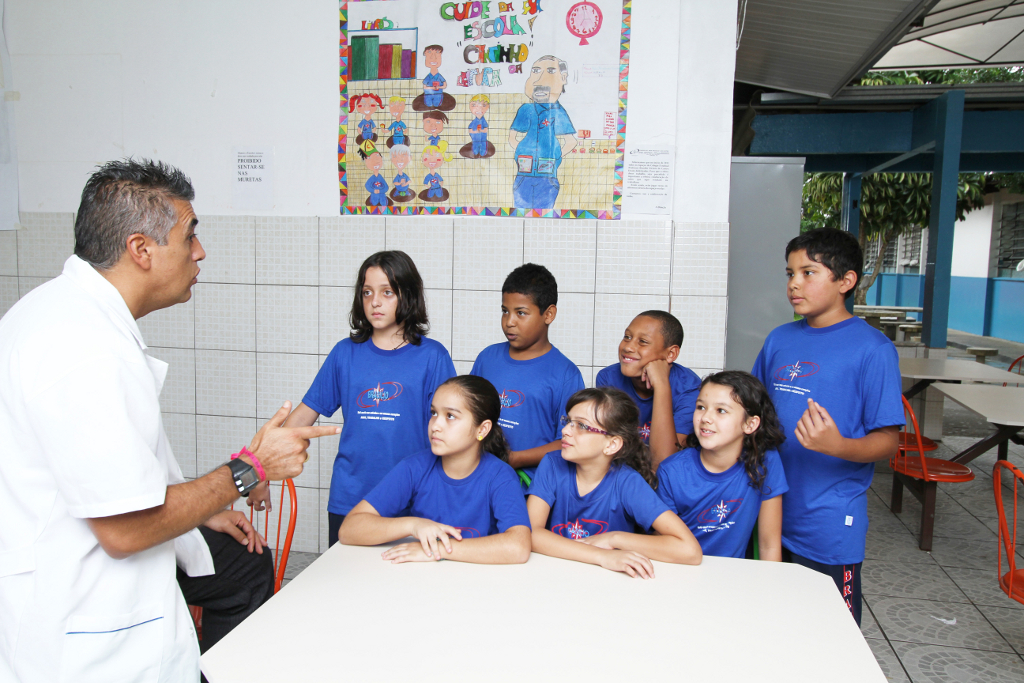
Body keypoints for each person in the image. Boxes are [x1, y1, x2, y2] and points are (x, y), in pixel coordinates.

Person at [0, 159, 338, 681]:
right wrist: (251, 468)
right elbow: (127, 529)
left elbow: (100, 465)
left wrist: (200, 509)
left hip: (74, 577)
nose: (199, 251)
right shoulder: (85, 349)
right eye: (190, 235)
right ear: (141, 250)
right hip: (84, 633)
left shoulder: (55, 311)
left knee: (243, 563)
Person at [248, 251, 456, 547]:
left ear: (407, 295)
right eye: (367, 292)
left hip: (416, 499)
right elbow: (298, 424)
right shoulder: (344, 354)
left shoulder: (433, 357)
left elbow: (453, 433)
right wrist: (260, 473)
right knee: (345, 587)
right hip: (350, 499)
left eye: (387, 292)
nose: (375, 302)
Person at [752, 227, 903, 626]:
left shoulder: (873, 349)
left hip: (829, 522)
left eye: (808, 272)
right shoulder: (779, 338)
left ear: (846, 281)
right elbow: (755, 410)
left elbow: (889, 441)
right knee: (773, 621)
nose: (794, 284)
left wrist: (837, 445)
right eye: (790, 273)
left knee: (831, 632)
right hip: (770, 511)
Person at [338, 376, 531, 564]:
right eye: (434, 413)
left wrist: (436, 550)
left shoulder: (501, 476)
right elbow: (349, 529)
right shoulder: (413, 467)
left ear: (482, 430)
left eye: (450, 416)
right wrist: (413, 525)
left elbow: (518, 547)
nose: (435, 425)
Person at [527, 387, 702, 578]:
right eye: (568, 421)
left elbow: (690, 550)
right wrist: (601, 556)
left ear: (612, 445)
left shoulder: (627, 482)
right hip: (557, 574)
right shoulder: (551, 464)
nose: (565, 430)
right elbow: (530, 533)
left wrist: (614, 539)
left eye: (581, 425)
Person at [470, 264, 583, 490]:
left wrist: (514, 459)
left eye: (521, 313)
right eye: (505, 311)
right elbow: (469, 416)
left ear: (548, 314)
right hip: (480, 483)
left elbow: (570, 441)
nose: (509, 321)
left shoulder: (565, 375)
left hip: (533, 492)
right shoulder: (487, 358)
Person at [656, 371, 788, 560]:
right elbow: (663, 544)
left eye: (721, 410)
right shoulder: (672, 471)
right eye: (701, 407)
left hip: (733, 578)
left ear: (750, 424)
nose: (706, 418)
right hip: (682, 570)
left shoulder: (765, 460)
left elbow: (769, 545)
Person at [595, 310, 700, 469]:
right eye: (627, 337)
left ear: (670, 353)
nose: (628, 347)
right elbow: (608, 449)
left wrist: (662, 385)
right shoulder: (608, 378)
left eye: (642, 341)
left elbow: (665, 463)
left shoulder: (690, 387)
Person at [507, 55, 578, 209]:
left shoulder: (558, 112)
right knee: (520, 214)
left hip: (547, 176)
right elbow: (512, 137)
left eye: (551, 71)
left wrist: (555, 155)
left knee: (545, 214)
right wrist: (522, 151)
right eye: (536, 71)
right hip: (523, 175)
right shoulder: (526, 109)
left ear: (563, 77)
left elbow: (571, 141)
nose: (541, 78)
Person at [359, 140, 389, 207]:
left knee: (384, 202)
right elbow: (367, 186)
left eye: (377, 156)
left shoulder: (380, 177)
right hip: (374, 194)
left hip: (382, 194)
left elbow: (386, 187)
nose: (376, 161)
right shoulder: (371, 178)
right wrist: (373, 190)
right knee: (374, 202)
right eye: (370, 158)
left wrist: (381, 191)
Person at [420, 45, 447, 109]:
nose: (433, 57)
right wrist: (432, 87)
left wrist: (438, 87)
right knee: (428, 105)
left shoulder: (439, 77)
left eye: (437, 52)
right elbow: (424, 86)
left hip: (438, 95)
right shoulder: (428, 77)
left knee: (437, 104)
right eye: (429, 52)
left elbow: (445, 85)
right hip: (428, 95)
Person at [468, 94, 490, 158]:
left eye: (483, 105)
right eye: (474, 105)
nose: (479, 109)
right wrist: (476, 131)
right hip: (475, 140)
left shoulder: (484, 121)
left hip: (483, 140)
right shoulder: (473, 122)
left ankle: (481, 154)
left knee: (483, 151)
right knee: (475, 150)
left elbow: (486, 129)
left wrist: (481, 130)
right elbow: (470, 130)